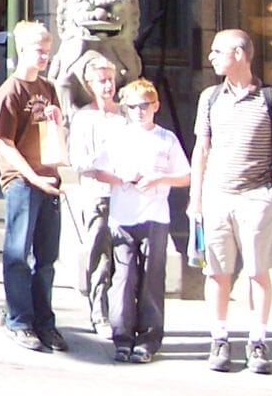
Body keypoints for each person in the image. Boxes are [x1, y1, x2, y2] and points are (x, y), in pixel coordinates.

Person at [189, 28, 272, 374]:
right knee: (217, 272)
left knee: (257, 272)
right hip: (217, 196)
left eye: (217, 51)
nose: (210, 57)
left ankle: (258, 341)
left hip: (255, 198)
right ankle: (219, 338)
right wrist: (196, 197)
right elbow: (201, 149)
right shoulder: (210, 98)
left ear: (239, 54)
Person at [85, 78, 190, 364]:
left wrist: (160, 178)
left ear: (155, 106)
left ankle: (148, 339)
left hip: (155, 215)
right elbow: (99, 170)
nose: (139, 111)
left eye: (144, 105)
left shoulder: (166, 138)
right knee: (123, 277)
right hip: (123, 216)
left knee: (152, 278)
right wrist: (123, 178)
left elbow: (185, 176)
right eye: (132, 107)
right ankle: (122, 337)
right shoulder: (118, 137)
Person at [0, 19, 68, 352]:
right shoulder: (10, 92)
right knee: (18, 254)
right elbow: (4, 142)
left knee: (46, 257)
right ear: (22, 50)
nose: (44, 56)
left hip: (47, 178)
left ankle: (44, 321)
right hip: (22, 181)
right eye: (39, 50)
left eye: (47, 50)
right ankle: (19, 320)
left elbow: (53, 134)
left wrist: (58, 123)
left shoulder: (48, 88)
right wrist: (31, 176)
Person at [67, 54, 125, 338]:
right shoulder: (84, 118)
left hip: (126, 196)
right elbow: (78, 161)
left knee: (125, 257)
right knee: (100, 255)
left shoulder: (126, 115)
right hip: (98, 195)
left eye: (110, 80)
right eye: (102, 81)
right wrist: (104, 165)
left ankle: (123, 313)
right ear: (90, 85)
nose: (108, 86)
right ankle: (99, 311)